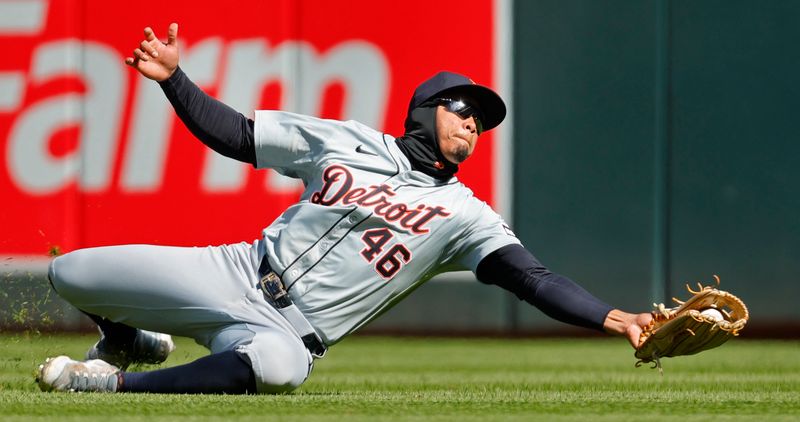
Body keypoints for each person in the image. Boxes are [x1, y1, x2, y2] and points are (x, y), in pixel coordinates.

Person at [36, 23, 652, 394]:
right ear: (425, 109)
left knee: (278, 371)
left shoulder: (465, 215)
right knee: (70, 272)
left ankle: (115, 381)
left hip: (285, 331)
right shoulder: (347, 140)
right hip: (234, 270)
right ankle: (130, 340)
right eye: (463, 110)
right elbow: (238, 136)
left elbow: (533, 280)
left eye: (482, 122)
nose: (473, 125)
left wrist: (615, 319)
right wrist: (176, 79)